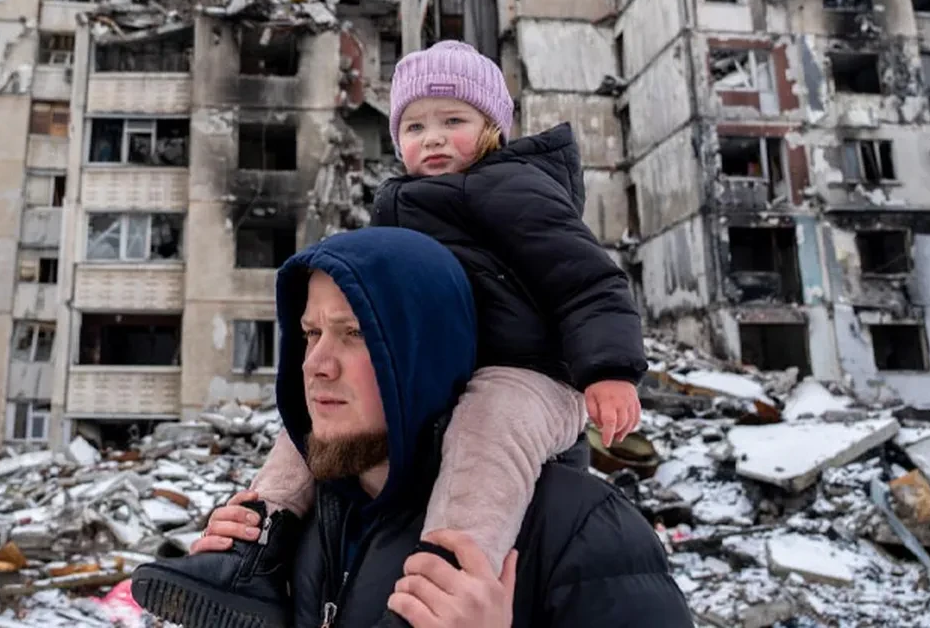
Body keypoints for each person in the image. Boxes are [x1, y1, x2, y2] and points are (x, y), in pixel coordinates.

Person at [131, 41, 649, 627]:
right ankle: (256, 551)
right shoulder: (401, 203)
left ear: (493, 130)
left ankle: (444, 580)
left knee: (488, 422)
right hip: (443, 371)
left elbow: (588, 282)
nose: (433, 139)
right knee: (314, 421)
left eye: (454, 121)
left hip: (531, 378)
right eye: (415, 126)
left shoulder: (515, 188)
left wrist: (608, 369)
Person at [132, 227, 692, 627]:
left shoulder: (582, 528)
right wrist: (248, 589)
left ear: (426, 355)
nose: (316, 364)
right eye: (310, 334)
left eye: (354, 334)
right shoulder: (307, 524)